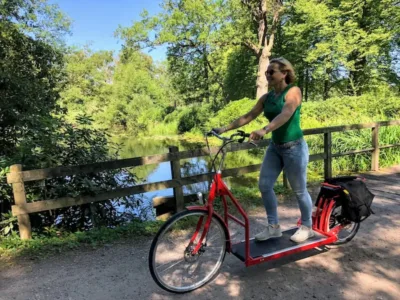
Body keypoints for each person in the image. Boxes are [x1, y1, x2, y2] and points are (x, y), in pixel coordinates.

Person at [212, 57, 314, 243]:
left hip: (295, 148)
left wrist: (265, 129)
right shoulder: (267, 98)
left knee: (299, 190)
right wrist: (224, 128)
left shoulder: (293, 91)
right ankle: (273, 227)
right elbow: (249, 116)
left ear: (284, 73)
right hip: (276, 148)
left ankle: (307, 226)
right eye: (266, 72)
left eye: (271, 72)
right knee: (265, 186)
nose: (267, 75)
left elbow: (286, 113)